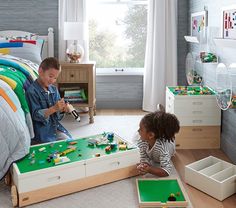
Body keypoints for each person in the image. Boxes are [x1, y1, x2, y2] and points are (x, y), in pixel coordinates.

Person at [26, 57, 72, 144]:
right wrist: (54, 108)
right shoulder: (32, 92)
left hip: (55, 128)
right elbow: (35, 115)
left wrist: (62, 109)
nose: (52, 80)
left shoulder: (54, 90)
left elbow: (57, 117)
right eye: (50, 76)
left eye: (55, 78)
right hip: (42, 134)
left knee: (70, 142)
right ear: (40, 71)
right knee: (52, 152)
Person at [136, 110, 180, 177]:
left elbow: (166, 171)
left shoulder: (163, 149)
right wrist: (143, 165)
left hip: (168, 147)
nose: (138, 130)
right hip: (154, 145)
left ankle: (170, 135)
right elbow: (144, 157)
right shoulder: (142, 141)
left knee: (169, 141)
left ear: (150, 135)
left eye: (140, 129)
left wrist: (149, 169)